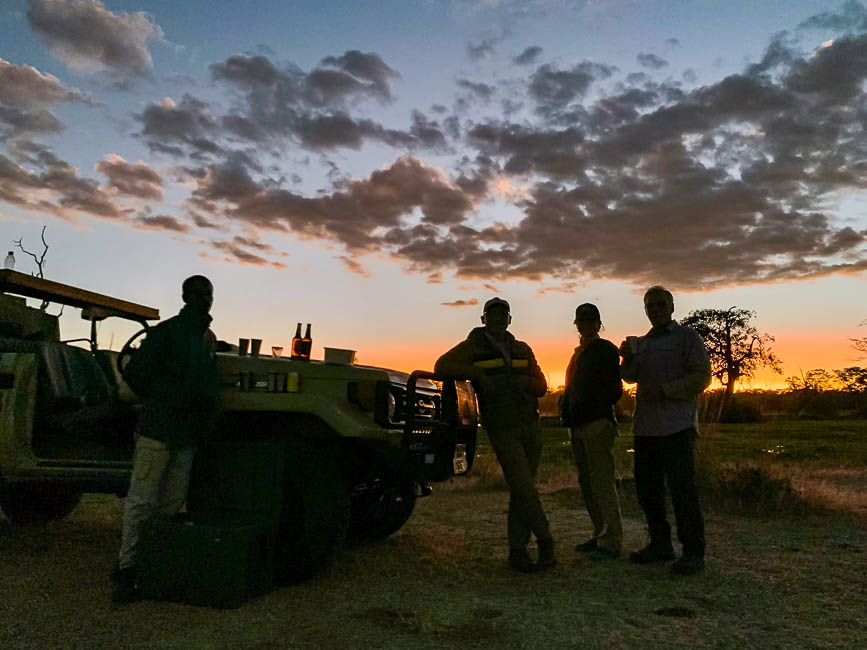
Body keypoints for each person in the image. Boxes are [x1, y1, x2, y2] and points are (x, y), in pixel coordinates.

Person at [112, 275, 220, 603]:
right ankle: (126, 570)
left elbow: (206, 381)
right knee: (141, 501)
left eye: (208, 294)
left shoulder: (207, 337)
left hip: (185, 434)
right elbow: (135, 372)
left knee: (171, 505)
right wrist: (165, 400)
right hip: (159, 430)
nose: (204, 298)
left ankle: (154, 567)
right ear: (186, 296)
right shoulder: (167, 332)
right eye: (198, 293)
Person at [435, 297, 554, 573]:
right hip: (502, 426)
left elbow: (542, 386)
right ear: (483, 319)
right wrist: (476, 373)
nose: (498, 319)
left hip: (530, 425)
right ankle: (546, 540)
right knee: (524, 486)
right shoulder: (472, 347)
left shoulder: (522, 348)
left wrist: (527, 382)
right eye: (493, 314)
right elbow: (442, 366)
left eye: (503, 314)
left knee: (521, 489)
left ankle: (517, 551)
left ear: (510, 320)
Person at [620, 286, 711, 575]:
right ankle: (660, 544)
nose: (656, 310)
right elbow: (629, 377)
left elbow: (702, 377)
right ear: (645, 310)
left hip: (677, 427)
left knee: (682, 491)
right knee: (649, 492)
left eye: (661, 304)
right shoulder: (643, 343)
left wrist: (666, 391)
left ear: (672, 306)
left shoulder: (687, 338)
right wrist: (627, 357)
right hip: (646, 428)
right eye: (650, 306)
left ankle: (693, 552)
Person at [560, 303, 623, 560]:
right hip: (578, 425)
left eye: (590, 321)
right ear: (577, 324)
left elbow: (614, 390)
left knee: (602, 482)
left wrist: (590, 407)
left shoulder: (605, 350)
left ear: (598, 324)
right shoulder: (578, 354)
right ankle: (599, 534)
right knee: (588, 483)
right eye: (582, 321)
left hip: (597, 424)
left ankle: (612, 542)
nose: (585, 325)